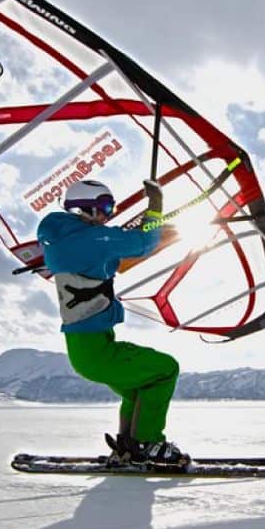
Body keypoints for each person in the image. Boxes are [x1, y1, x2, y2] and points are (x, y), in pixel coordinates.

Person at [36, 178, 190, 467]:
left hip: (91, 347)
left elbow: (123, 243)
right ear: (85, 208)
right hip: (95, 352)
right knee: (166, 369)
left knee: (139, 388)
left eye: (111, 207)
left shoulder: (68, 238)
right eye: (106, 207)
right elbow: (140, 244)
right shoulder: (88, 239)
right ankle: (148, 443)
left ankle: (128, 446)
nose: (109, 213)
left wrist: (154, 224)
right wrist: (155, 207)